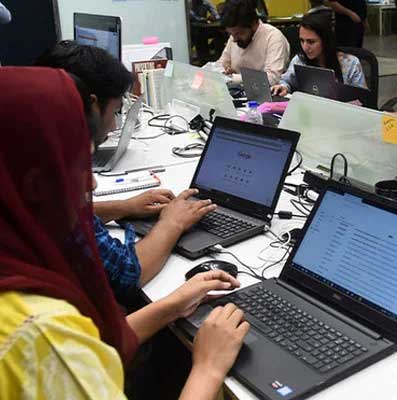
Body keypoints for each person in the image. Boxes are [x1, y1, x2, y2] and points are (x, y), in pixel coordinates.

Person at [0, 66, 249, 400]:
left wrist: (174, 304)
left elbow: (97, 342)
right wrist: (208, 368)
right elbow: (63, 346)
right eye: (81, 166)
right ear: (35, 185)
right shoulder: (39, 336)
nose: (91, 184)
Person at [35, 41, 216, 302]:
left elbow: (53, 213)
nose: (112, 125)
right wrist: (172, 223)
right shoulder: (45, 167)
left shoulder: (26, 142)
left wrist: (123, 207)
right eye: (116, 111)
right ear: (92, 106)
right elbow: (125, 274)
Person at [271, 13, 366, 96]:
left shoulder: (351, 64)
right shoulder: (300, 60)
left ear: (325, 41)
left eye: (311, 42)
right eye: (302, 41)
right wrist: (284, 87)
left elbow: (363, 98)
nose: (305, 47)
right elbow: (286, 81)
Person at [217, 0, 290, 86]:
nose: (234, 39)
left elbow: (272, 78)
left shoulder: (273, 37)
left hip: (266, 95)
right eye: (231, 34)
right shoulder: (235, 36)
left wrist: (233, 77)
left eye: (240, 33)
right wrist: (223, 71)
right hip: (238, 91)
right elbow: (220, 65)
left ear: (254, 24)